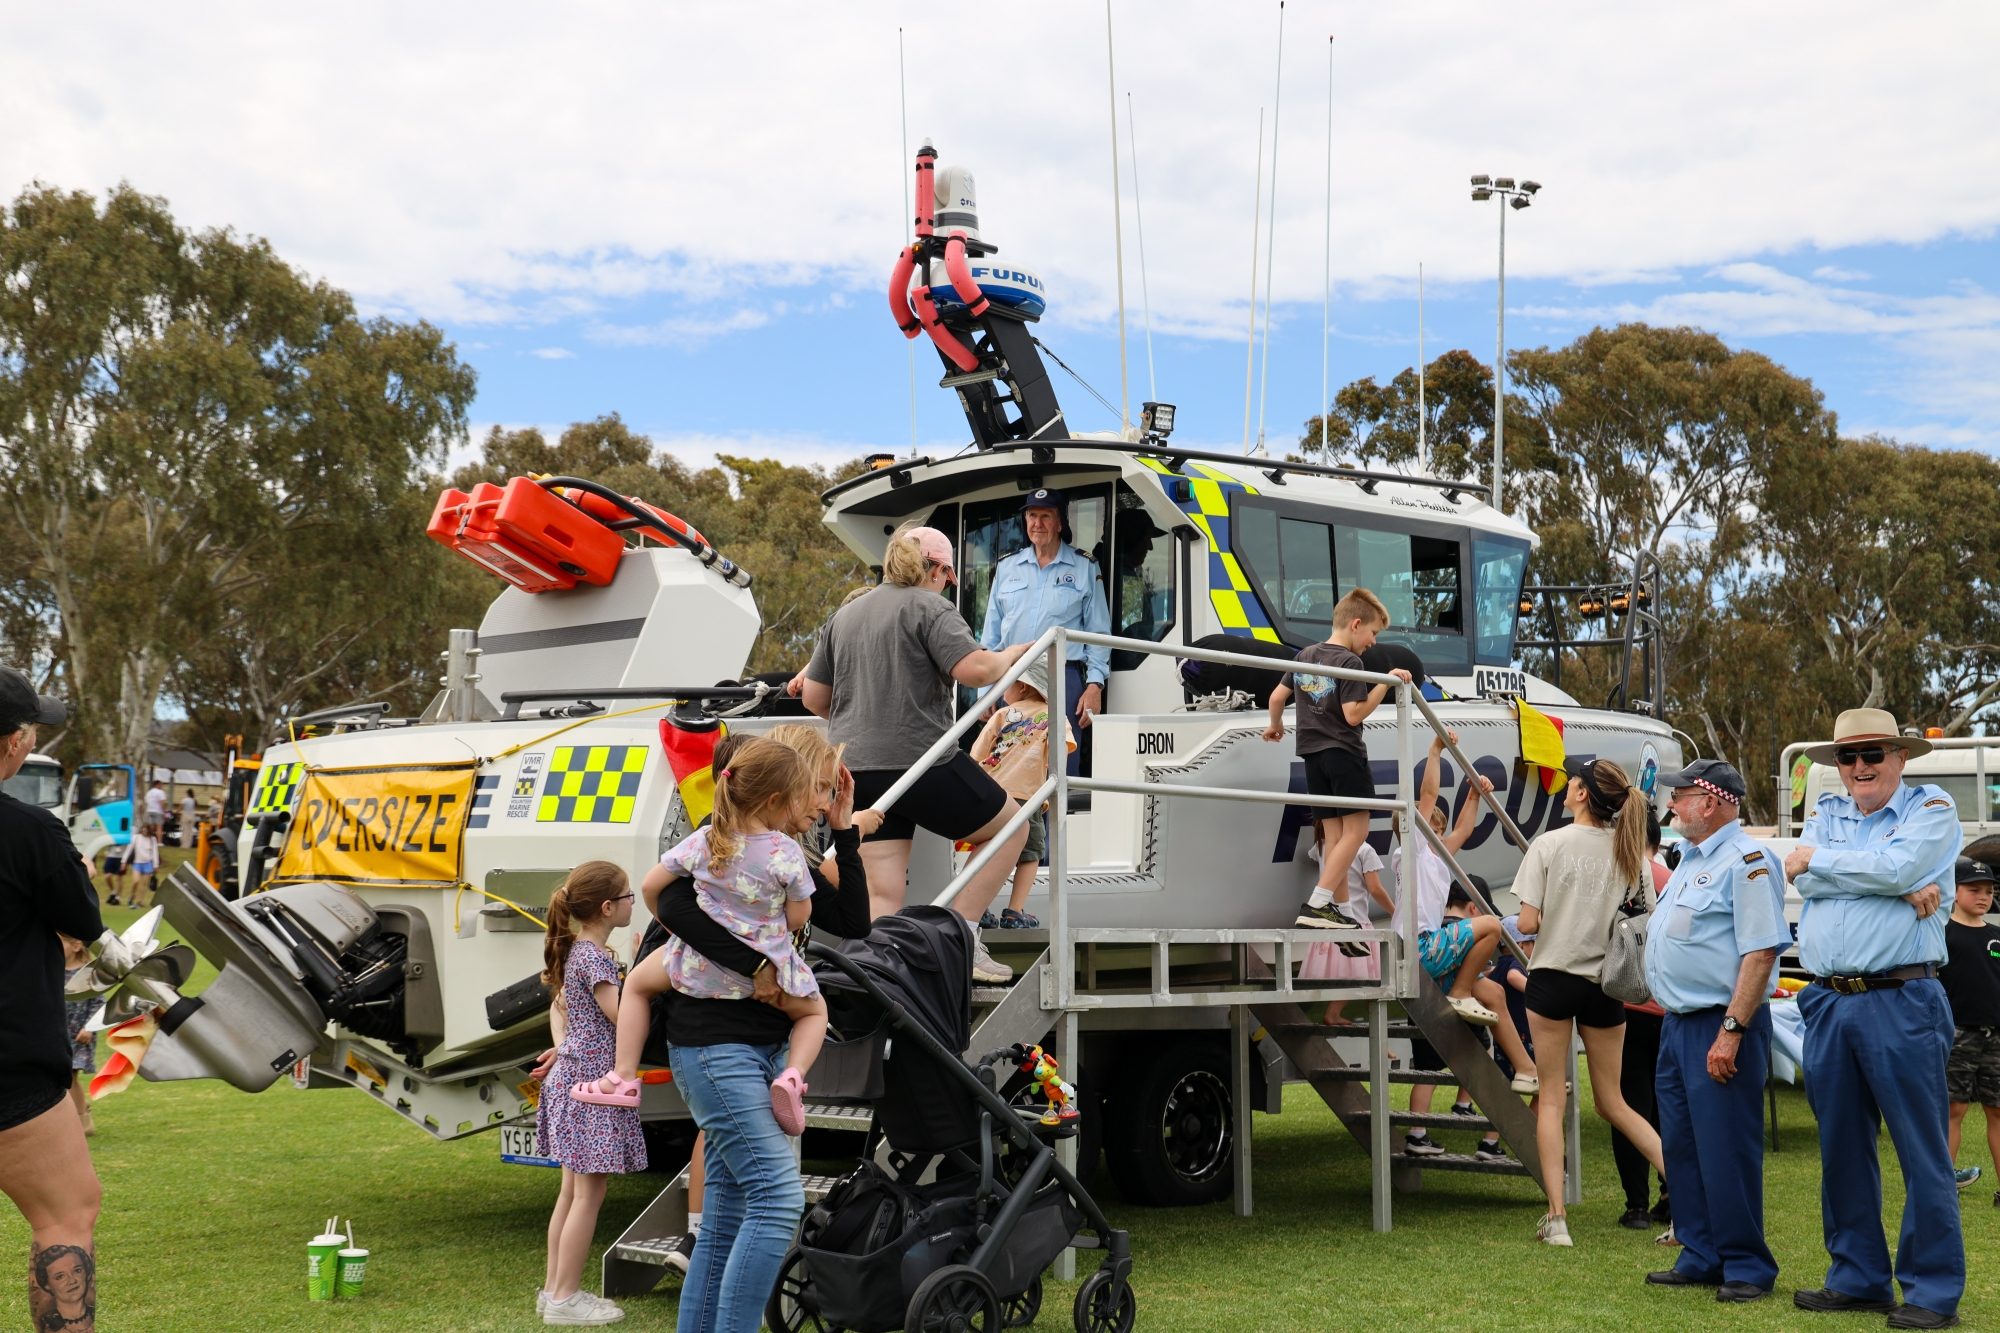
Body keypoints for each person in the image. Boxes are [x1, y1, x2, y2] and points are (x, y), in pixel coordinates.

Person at [652, 759, 875, 1332]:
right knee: (777, 1201)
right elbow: (667, 901)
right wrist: (757, 962)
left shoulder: (715, 844)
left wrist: (844, 829)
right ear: (781, 794)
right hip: (715, 1045)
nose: (819, 804)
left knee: (725, 1214)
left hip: (759, 1043)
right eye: (815, 791)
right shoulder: (770, 852)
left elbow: (852, 918)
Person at [1786, 708, 1963, 1327]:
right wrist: (1888, 880)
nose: (1858, 767)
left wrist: (1826, 864)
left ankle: (1933, 1293)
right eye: (1847, 757)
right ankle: (1858, 1278)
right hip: (1829, 999)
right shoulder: (1828, 811)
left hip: (1902, 998)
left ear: (1900, 756)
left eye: (1872, 754)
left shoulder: (1932, 807)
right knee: (1841, 1148)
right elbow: (1807, 882)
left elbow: (1898, 869)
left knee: (1922, 1150)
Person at [801, 524, 1031, 983]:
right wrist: (1012, 654)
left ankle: (870, 980)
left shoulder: (845, 615)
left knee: (881, 891)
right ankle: (961, 938)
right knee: (1011, 826)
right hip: (920, 762)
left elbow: (814, 698)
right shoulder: (929, 605)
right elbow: (976, 670)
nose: (947, 585)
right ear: (939, 570)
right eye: (948, 577)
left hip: (854, 770)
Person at [587, 740, 829, 1135]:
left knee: (635, 987)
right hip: (768, 965)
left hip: (697, 965)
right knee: (814, 1013)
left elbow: (652, 888)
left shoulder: (707, 839)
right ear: (773, 801)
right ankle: (791, 1078)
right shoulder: (785, 851)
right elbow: (801, 914)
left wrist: (670, 929)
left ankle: (623, 1076)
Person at [1640, 760, 1789, 1303]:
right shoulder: (1691, 860)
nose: (1672, 805)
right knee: (1683, 1146)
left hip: (1720, 1022)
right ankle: (1701, 1252)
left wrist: (1731, 1030)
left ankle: (1747, 1265)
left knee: (1726, 1147)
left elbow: (1760, 950)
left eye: (1679, 797)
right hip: (1679, 1024)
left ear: (1711, 801)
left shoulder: (1747, 860)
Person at [1515, 756, 1667, 1247]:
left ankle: (1556, 1219)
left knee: (1552, 1099)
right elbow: (1648, 919)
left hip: (1552, 978)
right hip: (1606, 986)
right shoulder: (1632, 857)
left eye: (1570, 781)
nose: (1564, 786)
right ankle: (1689, 1196)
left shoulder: (1549, 844)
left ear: (1582, 794)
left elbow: (1526, 923)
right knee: (1615, 1103)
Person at [0, 666, 104, 1333]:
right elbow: (85, 924)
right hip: (10, 1066)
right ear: (12, 742)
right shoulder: (30, 831)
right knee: (66, 1214)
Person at [534, 861, 644, 1326]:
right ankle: (565, 1298)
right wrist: (641, 980)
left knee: (570, 1192)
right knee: (588, 1196)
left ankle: (553, 1290)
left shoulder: (576, 952)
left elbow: (562, 1009)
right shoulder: (597, 960)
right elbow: (624, 1017)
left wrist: (562, 1049)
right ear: (607, 907)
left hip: (570, 1082)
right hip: (593, 1089)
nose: (632, 903)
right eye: (626, 897)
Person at [1261, 588, 1408, 932]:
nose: (1373, 642)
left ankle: (1340, 911)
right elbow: (1353, 714)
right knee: (1358, 831)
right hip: (1344, 753)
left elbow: (1276, 697)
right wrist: (1384, 686)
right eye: (1373, 633)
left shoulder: (1304, 655)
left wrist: (1275, 726)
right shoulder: (1349, 662)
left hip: (1312, 756)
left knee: (1333, 836)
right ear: (1356, 624)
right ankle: (1317, 903)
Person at [978, 488, 1111, 773]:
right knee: (1009, 766)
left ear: (1060, 522)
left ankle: (1057, 820)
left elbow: (1098, 632)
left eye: (1045, 516)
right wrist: (986, 691)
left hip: (1063, 677)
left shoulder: (1085, 566)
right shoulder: (1007, 567)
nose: (1037, 523)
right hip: (1013, 677)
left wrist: (1094, 685)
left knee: (1059, 766)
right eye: (1031, 516)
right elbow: (991, 634)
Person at [968, 653, 1073, 930]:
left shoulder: (1002, 716)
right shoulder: (1054, 717)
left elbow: (977, 756)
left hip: (994, 797)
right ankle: (1014, 911)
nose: (1003, 691)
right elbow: (1059, 756)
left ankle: (977, 909)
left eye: (1007, 684)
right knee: (1030, 853)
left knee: (989, 850)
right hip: (1029, 798)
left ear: (1023, 686)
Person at [1612, 810, 1672, 1231]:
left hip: (1626, 1006)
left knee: (1628, 1104)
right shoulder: (1672, 879)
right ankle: (1672, 1190)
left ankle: (1636, 1204)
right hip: (1669, 1006)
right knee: (1668, 1104)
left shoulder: (1621, 878)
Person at [1942, 857, 1999, 1196]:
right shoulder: (1942, 934)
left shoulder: (1996, 936)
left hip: (1995, 1036)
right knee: (1953, 1108)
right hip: (1957, 1033)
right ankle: (1942, 1186)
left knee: (1997, 1110)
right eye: (1974, 889)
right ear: (1955, 891)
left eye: (1989, 891)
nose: (1983, 896)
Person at [60, 937, 96, 1138]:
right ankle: (76, 1112)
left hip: (80, 1035)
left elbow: (98, 1002)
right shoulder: (54, 971)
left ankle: (83, 1121)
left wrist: (89, 1028)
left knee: (71, 1075)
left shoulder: (88, 974)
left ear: (76, 946)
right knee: (61, 1076)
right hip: (59, 1033)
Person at [123, 824, 161, 911]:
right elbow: (129, 849)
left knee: (144, 884)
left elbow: (155, 852)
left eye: (146, 830)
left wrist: (156, 865)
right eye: (143, 830)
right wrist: (124, 861)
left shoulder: (152, 839)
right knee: (136, 881)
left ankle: (140, 901)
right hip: (137, 863)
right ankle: (131, 896)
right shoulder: (136, 837)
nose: (145, 832)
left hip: (148, 863)